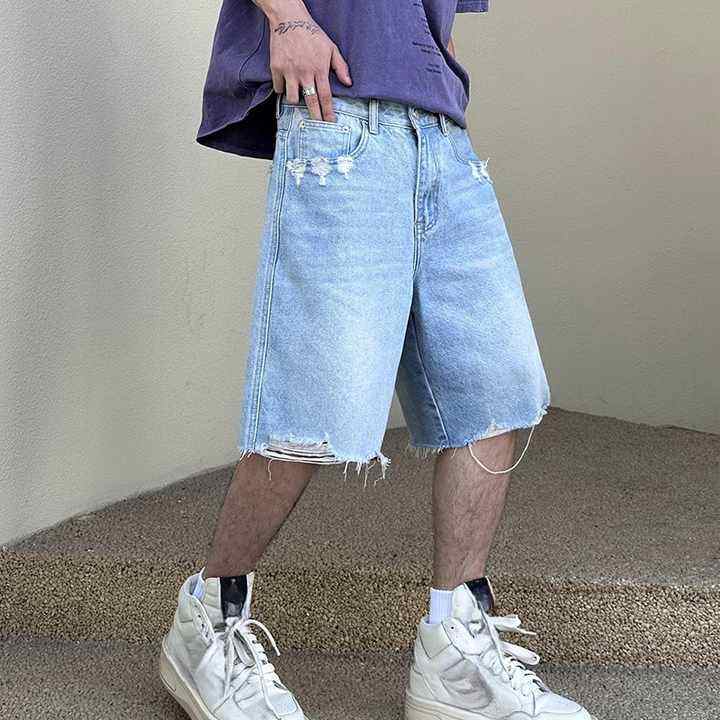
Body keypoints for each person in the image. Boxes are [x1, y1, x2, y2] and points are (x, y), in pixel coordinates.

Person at [159, 1, 595, 719]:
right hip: (342, 119)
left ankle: (454, 653)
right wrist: (287, 20)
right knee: (317, 399)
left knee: (496, 385)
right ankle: (209, 619)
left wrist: (432, 67)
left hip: (442, 134)